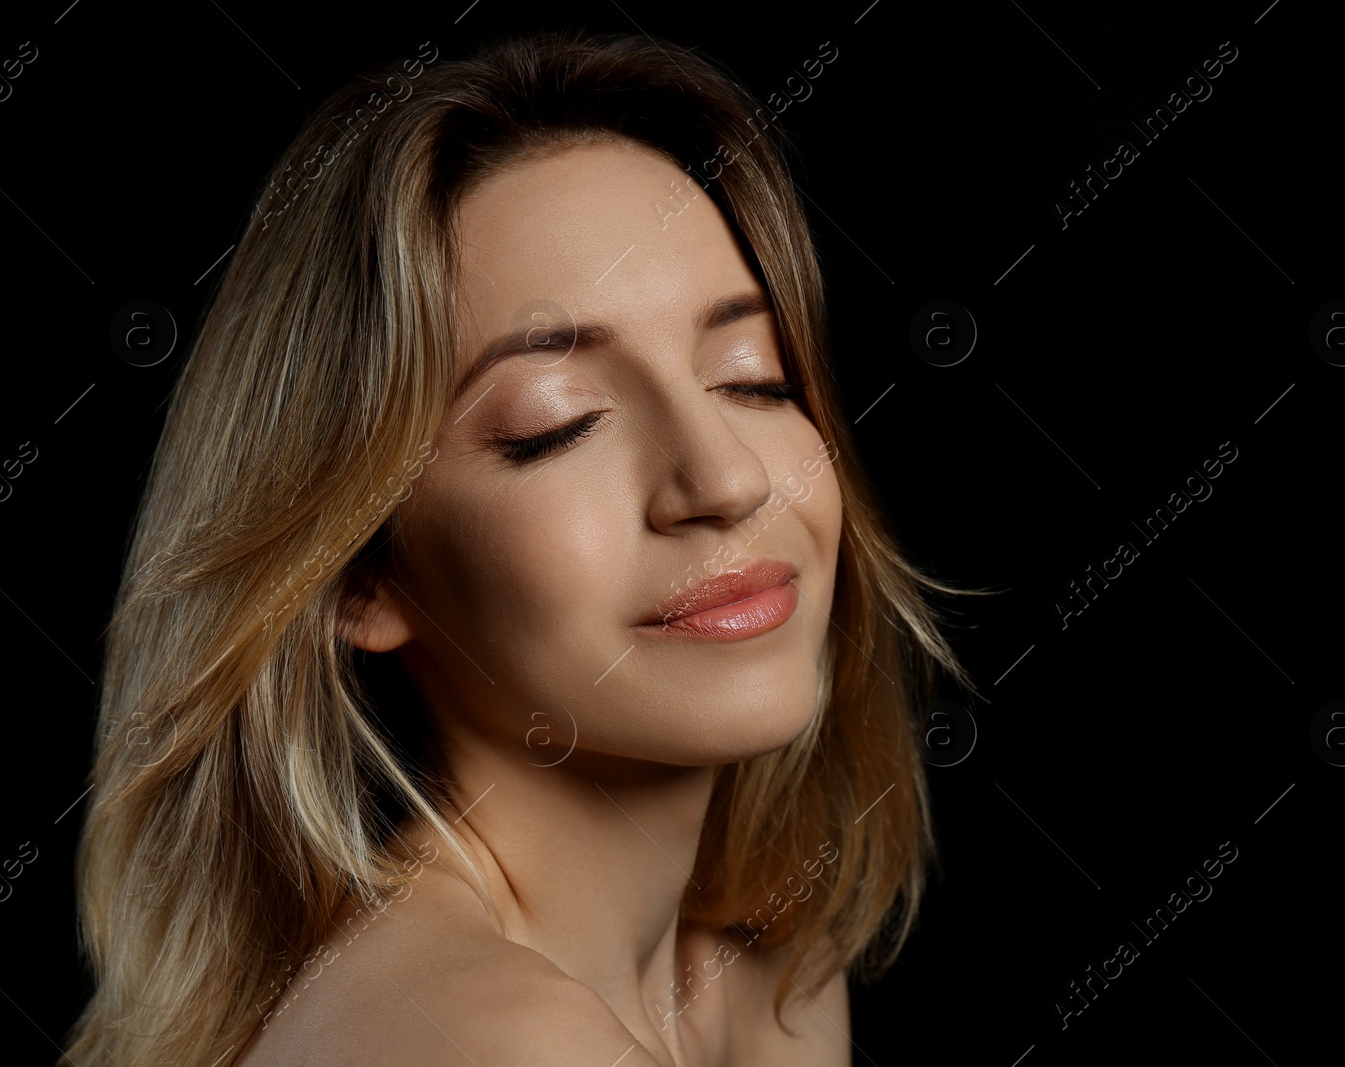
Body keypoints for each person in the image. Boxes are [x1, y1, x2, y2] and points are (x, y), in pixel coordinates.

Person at [65, 28, 975, 1066]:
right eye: (557, 422)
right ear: (359, 575)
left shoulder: (763, 971)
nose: (727, 479)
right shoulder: (492, 1041)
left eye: (750, 375)